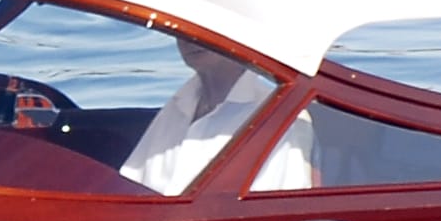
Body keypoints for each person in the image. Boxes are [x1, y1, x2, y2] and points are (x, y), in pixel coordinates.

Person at [123, 33, 313, 194]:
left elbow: (268, 209)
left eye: (203, 29)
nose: (190, 39)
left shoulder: (276, 114)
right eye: (182, 31)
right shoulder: (179, 104)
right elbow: (131, 182)